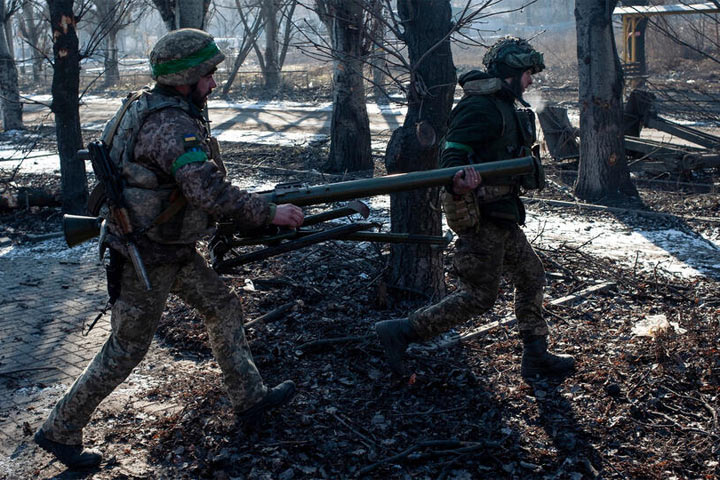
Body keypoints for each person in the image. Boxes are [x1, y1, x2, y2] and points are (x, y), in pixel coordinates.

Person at [34, 28, 304, 470]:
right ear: (186, 78)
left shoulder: (150, 106)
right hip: (148, 255)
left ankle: (250, 398)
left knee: (222, 306)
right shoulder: (170, 124)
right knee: (126, 348)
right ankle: (60, 429)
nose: (213, 85)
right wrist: (267, 212)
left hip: (167, 248)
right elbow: (208, 192)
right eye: (208, 76)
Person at [375, 37, 575, 380]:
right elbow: (451, 155)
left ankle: (536, 354)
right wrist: (458, 181)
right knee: (480, 296)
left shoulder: (504, 105)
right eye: (527, 73)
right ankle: (401, 331)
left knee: (531, 275)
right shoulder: (480, 107)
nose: (531, 80)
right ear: (512, 72)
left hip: (502, 214)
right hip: (482, 218)